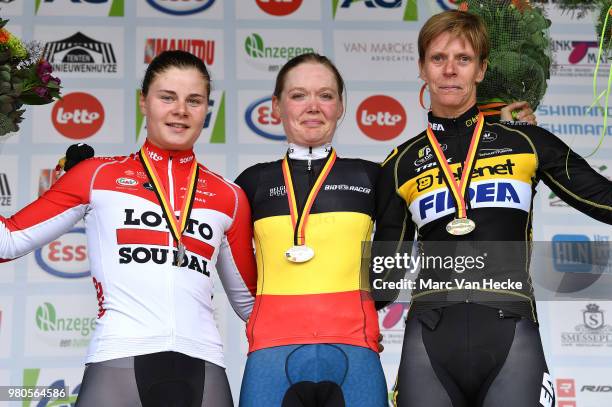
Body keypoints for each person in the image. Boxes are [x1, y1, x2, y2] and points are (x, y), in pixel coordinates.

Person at [234, 52, 535, 407]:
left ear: (341, 106)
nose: (313, 106)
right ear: (276, 106)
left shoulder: (372, 176)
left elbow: (405, 254)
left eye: (326, 95)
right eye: (299, 95)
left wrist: (501, 135)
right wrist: (275, 317)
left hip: (355, 353)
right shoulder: (250, 184)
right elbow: (241, 280)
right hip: (272, 354)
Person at [374, 10, 612, 407]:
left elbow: (602, 199)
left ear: (481, 70)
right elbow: (385, 275)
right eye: (438, 58)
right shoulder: (400, 162)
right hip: (429, 338)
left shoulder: (527, 142)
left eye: (463, 59)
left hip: (510, 328)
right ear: (422, 68)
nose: (450, 70)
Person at [0, 50, 257, 407]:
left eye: (194, 100)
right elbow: (8, 240)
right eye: (167, 97)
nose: (180, 110)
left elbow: (252, 305)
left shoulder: (230, 196)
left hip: (204, 364)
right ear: (144, 102)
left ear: (206, 109)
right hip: (117, 359)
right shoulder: (95, 175)